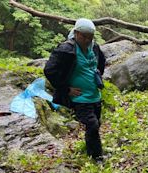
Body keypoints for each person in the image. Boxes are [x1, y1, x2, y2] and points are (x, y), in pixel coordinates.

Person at [44, 18, 106, 161]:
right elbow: (50, 70)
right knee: (92, 124)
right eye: (84, 36)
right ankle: (96, 157)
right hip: (79, 97)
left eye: (90, 37)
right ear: (76, 33)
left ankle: (90, 148)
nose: (87, 40)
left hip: (95, 95)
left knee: (95, 124)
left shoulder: (94, 47)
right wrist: (66, 89)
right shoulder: (66, 49)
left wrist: (96, 77)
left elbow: (101, 62)